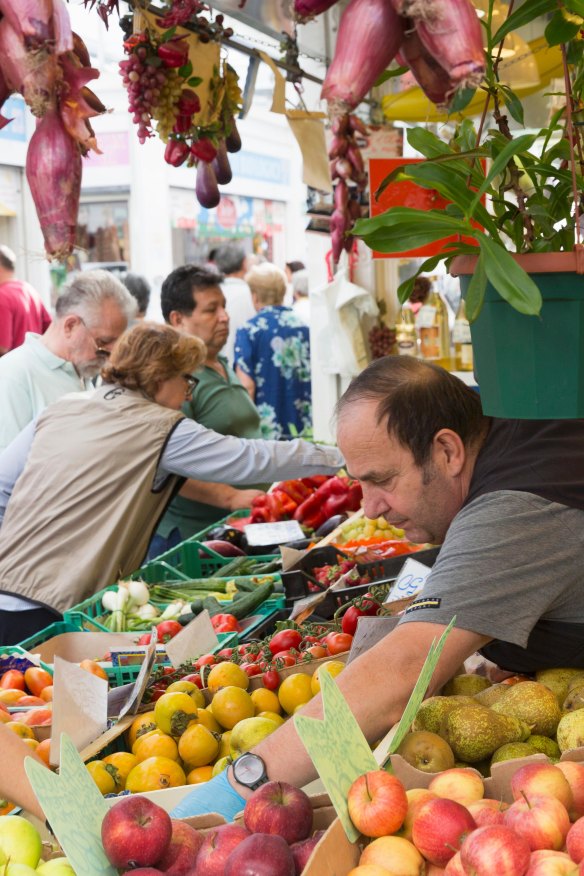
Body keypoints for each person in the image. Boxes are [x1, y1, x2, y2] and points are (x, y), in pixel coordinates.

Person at [171, 355, 584, 822]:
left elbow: (404, 667)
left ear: (448, 451)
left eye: (382, 480)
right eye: (360, 483)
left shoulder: (513, 511)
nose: (368, 509)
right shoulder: (492, 421)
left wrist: (244, 782)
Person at [0, 323, 342, 644]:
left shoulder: (63, 408)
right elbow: (249, 458)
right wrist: (342, 456)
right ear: (160, 376)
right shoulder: (159, 426)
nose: (189, 395)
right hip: (55, 608)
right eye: (187, 381)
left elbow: (3, 485)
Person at [153, 264, 266, 552]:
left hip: (236, 529)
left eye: (224, 307)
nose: (224, 317)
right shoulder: (174, 381)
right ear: (177, 319)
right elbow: (167, 463)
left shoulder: (221, 365)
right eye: (211, 310)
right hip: (196, 539)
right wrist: (230, 497)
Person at [0, 269, 135, 451]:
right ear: (70, 326)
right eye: (102, 342)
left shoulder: (81, 368)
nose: (110, 355)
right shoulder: (13, 376)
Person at [234, 263, 312, 439]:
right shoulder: (304, 326)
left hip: (268, 430)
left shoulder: (249, 331)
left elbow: (247, 385)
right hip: (306, 424)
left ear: (254, 296)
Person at [0, 245, 51, 355]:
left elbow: (2, 347)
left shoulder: (2, 296)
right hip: (34, 364)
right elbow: (50, 331)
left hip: (10, 369)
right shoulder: (29, 289)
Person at [213, 243, 255, 365]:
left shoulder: (211, 294)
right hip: (247, 370)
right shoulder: (253, 295)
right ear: (244, 263)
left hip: (218, 369)